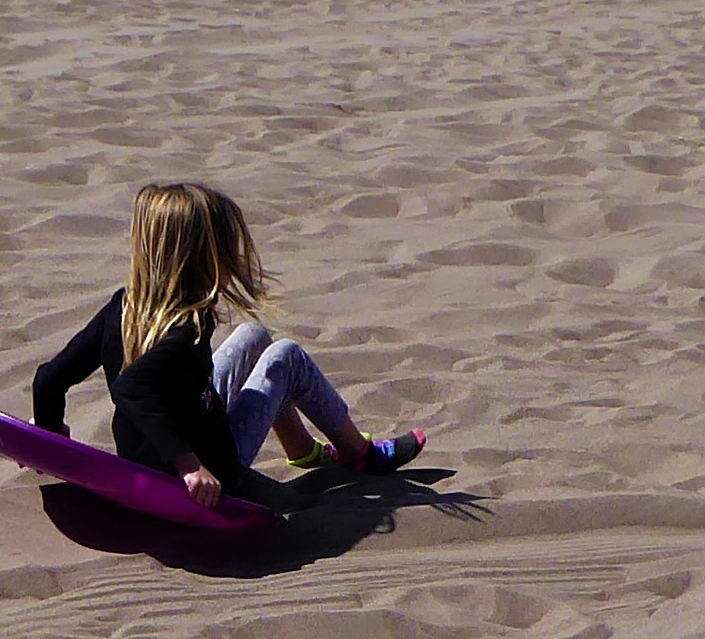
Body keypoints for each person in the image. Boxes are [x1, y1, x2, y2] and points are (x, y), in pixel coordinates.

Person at [32, 182, 423, 512]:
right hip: (210, 467)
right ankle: (360, 455)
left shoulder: (123, 306)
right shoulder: (188, 327)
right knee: (288, 357)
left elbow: (49, 380)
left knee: (253, 336)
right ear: (200, 257)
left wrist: (48, 434)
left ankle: (303, 449)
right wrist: (189, 466)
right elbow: (131, 387)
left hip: (150, 450)